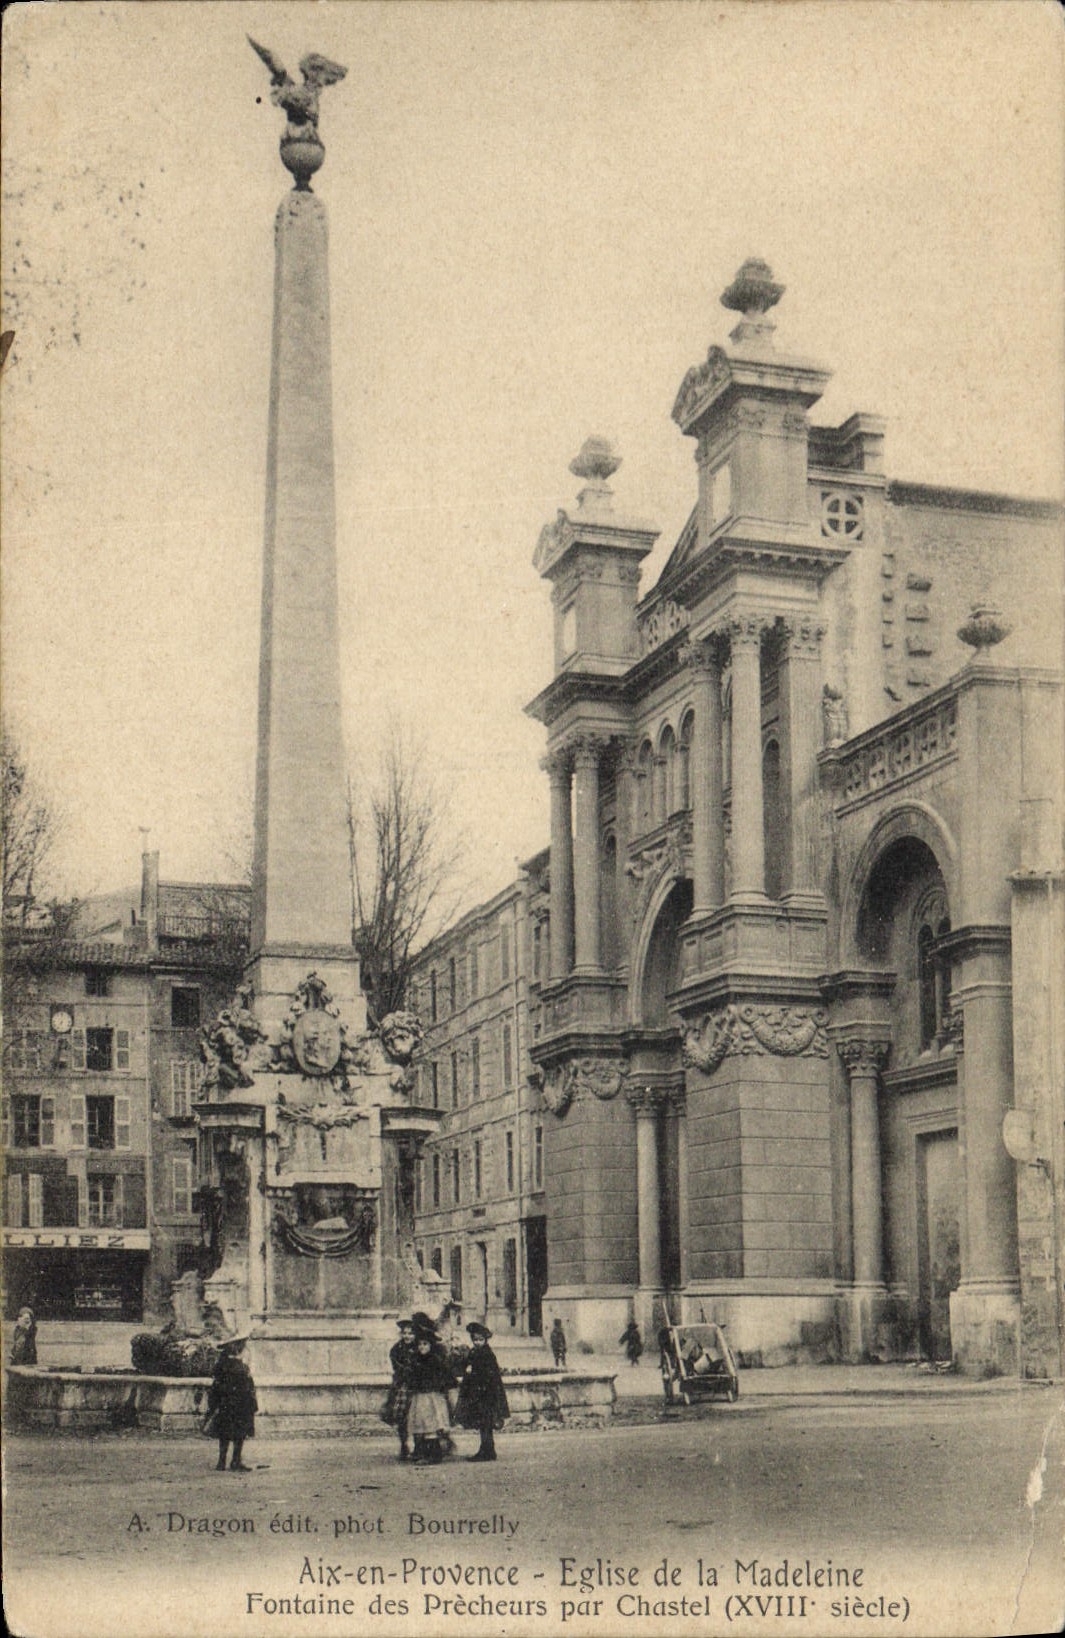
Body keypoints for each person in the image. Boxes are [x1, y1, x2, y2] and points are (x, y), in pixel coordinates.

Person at [454, 1322, 509, 1462]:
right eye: (475, 1340)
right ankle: (487, 1449)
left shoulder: (486, 1354)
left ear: (485, 1340)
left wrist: (471, 1372)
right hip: (479, 1394)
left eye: (480, 1340)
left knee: (485, 1423)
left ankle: (487, 1451)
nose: (477, 1342)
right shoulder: (475, 1352)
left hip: (486, 1395)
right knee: (484, 1424)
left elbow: (489, 1375)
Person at [205, 1334, 257, 1472]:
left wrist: (213, 1405)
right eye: (239, 1345)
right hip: (239, 1404)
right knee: (239, 1434)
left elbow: (215, 1387)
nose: (242, 1347)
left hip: (225, 1404)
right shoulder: (239, 1366)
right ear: (233, 1347)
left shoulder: (221, 1364)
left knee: (224, 1434)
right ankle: (235, 1461)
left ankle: (221, 1462)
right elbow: (248, 1386)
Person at [407, 1318, 454, 1465]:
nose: (422, 1347)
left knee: (431, 1424)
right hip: (420, 1396)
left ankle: (434, 1454)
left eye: (425, 1344)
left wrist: (439, 1386)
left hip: (431, 1396)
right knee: (421, 1423)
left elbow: (446, 1377)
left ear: (431, 1345)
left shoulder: (434, 1360)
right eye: (420, 1344)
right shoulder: (416, 1360)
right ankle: (423, 1452)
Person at [383, 1318, 416, 1461]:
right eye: (405, 1333)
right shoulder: (396, 1349)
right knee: (402, 1416)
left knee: (418, 1416)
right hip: (402, 1385)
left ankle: (420, 1447)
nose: (407, 1336)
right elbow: (398, 1368)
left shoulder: (419, 1347)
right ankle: (404, 1445)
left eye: (410, 1333)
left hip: (416, 1386)